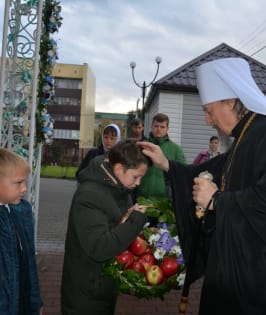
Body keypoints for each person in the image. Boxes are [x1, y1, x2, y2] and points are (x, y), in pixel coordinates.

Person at [139, 57, 266, 314]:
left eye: (209, 111)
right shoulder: (246, 135)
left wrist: (219, 201)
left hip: (260, 278)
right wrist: (167, 164)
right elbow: (212, 172)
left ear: (230, 101)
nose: (208, 121)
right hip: (234, 267)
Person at [61, 139, 150, 314]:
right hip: (86, 293)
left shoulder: (118, 187)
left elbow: (115, 226)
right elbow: (100, 247)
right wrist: (135, 221)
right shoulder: (89, 195)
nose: (138, 183)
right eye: (136, 176)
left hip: (102, 285)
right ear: (118, 169)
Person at [0, 148, 44, 314]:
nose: (24, 188)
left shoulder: (22, 211)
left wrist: (36, 302)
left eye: (25, 182)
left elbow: (30, 263)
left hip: (23, 299)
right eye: (18, 183)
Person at [134, 113, 186, 200]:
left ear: (167, 129)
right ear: (151, 127)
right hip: (141, 198)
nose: (158, 129)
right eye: (156, 126)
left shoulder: (176, 149)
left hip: (165, 202)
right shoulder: (142, 146)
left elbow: (183, 172)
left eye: (162, 127)